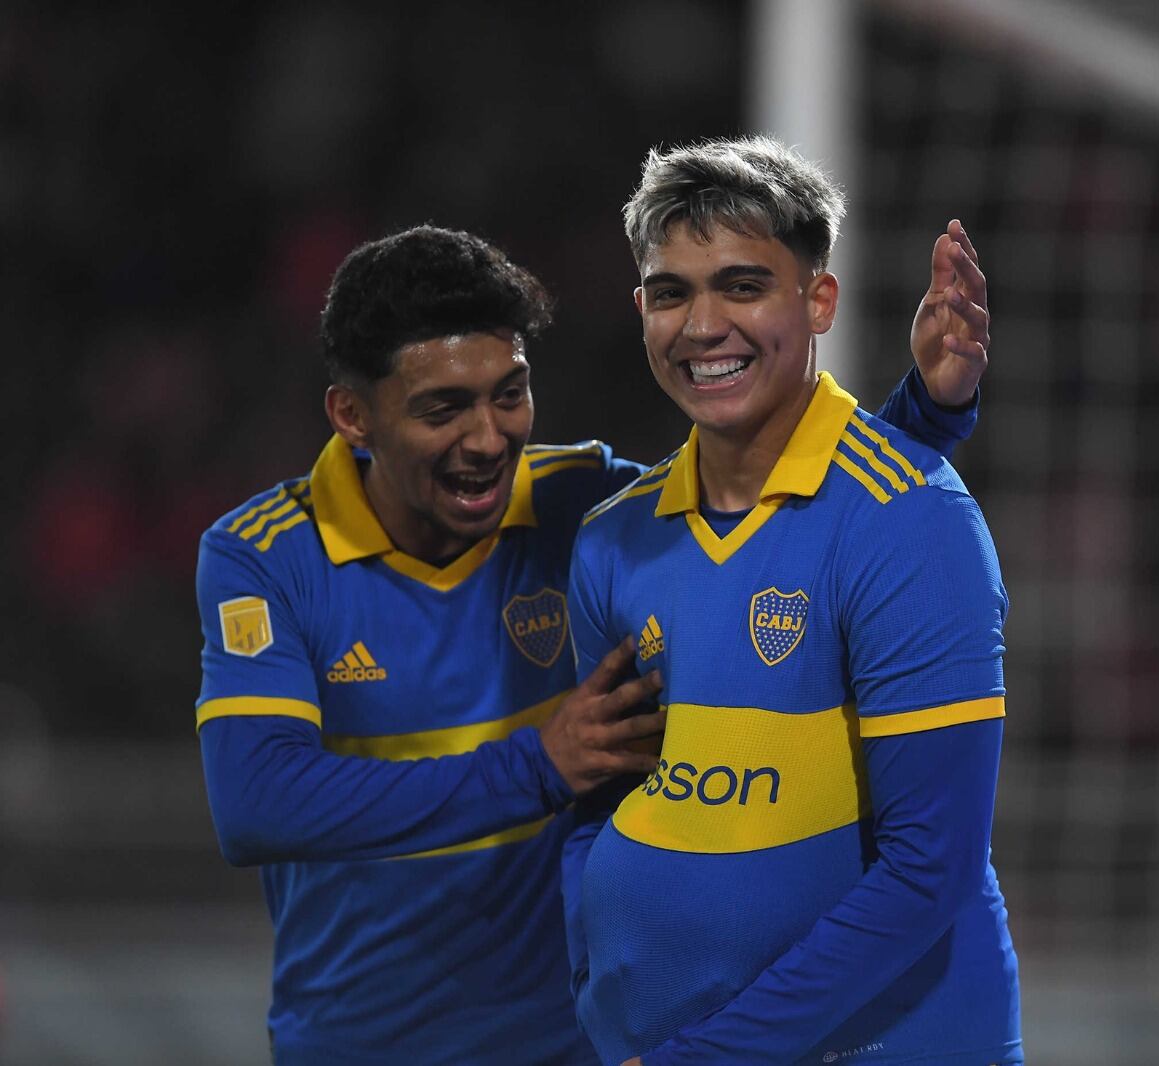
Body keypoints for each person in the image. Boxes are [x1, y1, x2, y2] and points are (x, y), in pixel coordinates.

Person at [194, 222, 990, 1064]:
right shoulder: (267, 553)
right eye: (443, 409)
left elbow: (775, 513)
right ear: (353, 415)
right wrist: (536, 768)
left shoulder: (581, 503)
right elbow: (257, 803)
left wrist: (925, 414)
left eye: (509, 394)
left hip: (574, 1043)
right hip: (363, 1045)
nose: (489, 438)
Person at [564, 136, 1020, 1065]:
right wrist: (596, 974)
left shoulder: (912, 519)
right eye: (671, 291)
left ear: (818, 300)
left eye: (742, 285)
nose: (702, 325)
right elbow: (600, 797)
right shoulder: (613, 539)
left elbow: (928, 872)